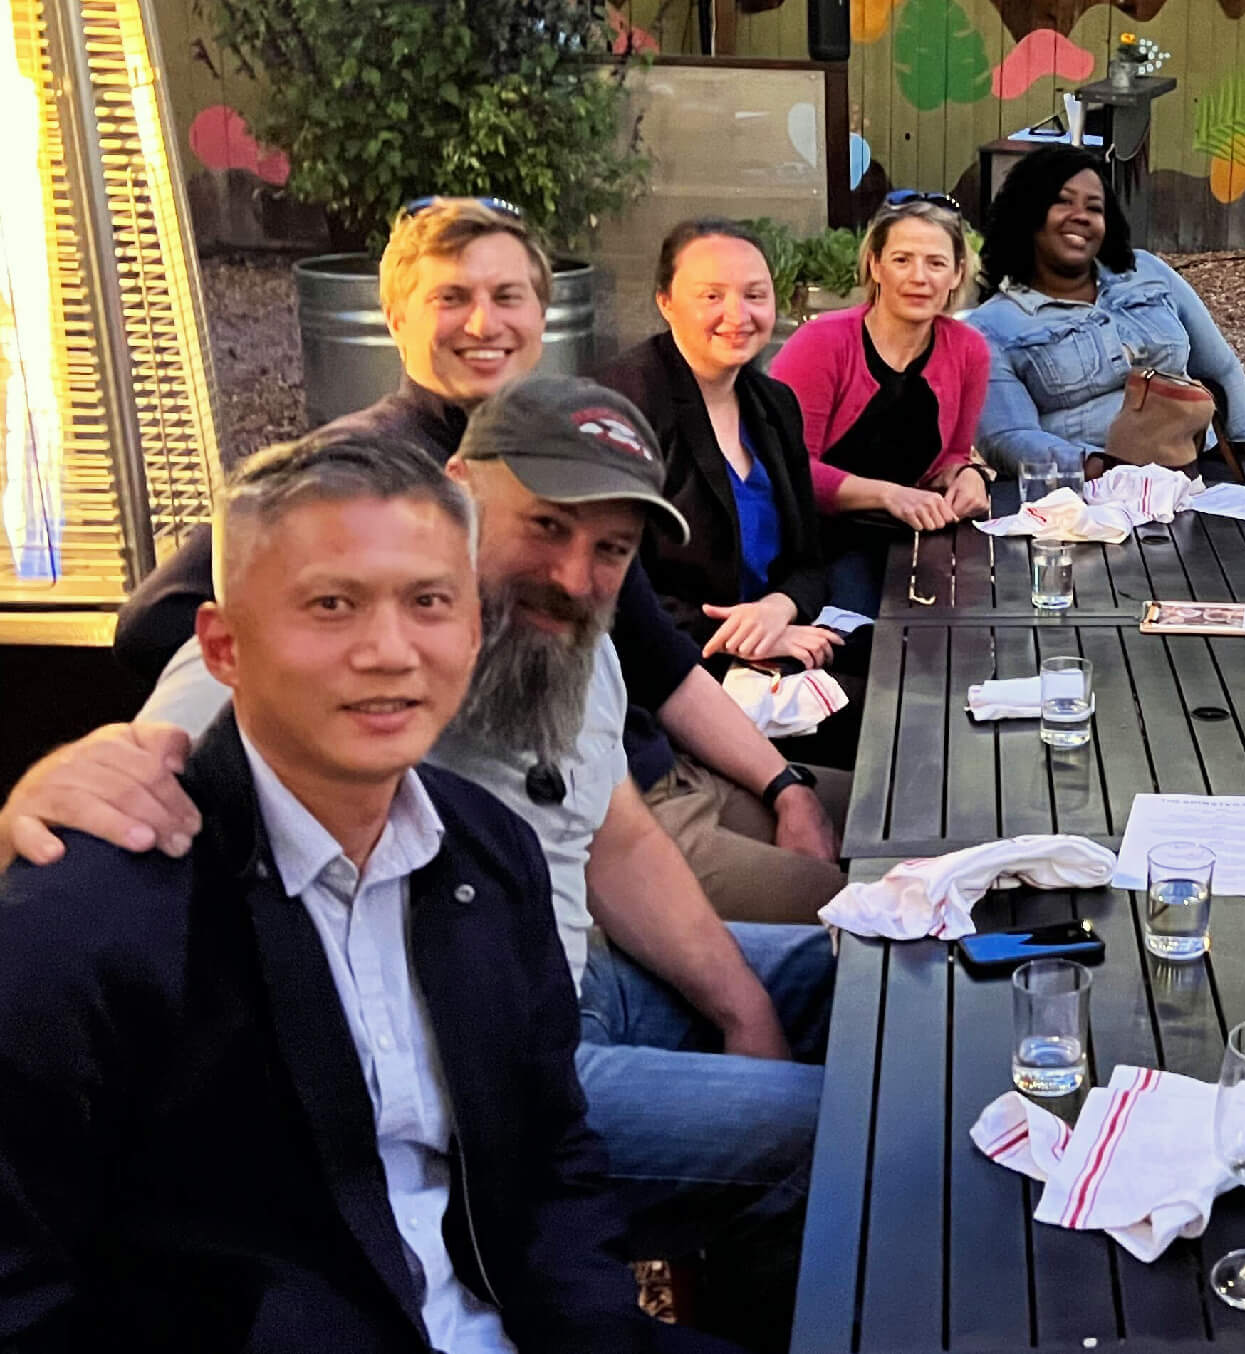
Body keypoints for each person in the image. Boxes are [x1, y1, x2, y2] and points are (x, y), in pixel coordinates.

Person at [3, 379, 837, 1347]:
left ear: (467, 625)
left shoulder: (487, 848)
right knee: (836, 1132)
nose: (390, 650)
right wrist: (58, 791)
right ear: (229, 647)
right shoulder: (99, 924)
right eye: (334, 606)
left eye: (428, 603)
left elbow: (546, 1182)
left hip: (526, 1181)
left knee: (871, 975)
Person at [93, 197, 847, 921]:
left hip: (648, 771)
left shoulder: (549, 450)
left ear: (538, 316)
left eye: (508, 296)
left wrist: (784, 786)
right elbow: (159, 622)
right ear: (394, 317)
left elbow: (657, 653)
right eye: (452, 297)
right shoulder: (360, 468)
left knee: (894, 826)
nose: (484, 322)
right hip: (573, 827)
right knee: (860, 907)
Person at [600, 219, 837, 673]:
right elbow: (612, 589)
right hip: (671, 666)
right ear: (665, 302)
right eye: (711, 296)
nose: (738, 315)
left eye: (755, 295)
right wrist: (740, 639)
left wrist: (780, 608)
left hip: (775, 642)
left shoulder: (775, 403)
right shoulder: (622, 406)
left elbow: (810, 561)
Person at [968, 145, 1245, 479]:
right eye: (1063, 201)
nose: (1081, 215)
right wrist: (1098, 468)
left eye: (1094, 207)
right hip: (1090, 490)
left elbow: (1220, 367)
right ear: (1027, 212)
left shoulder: (1147, 271)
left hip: (1198, 467)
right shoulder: (990, 328)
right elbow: (1007, 437)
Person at [768, 192, 994, 617]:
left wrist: (969, 476)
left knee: (976, 621)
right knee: (866, 638)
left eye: (936, 263)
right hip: (818, 541)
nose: (919, 277)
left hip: (911, 535)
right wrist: (888, 495)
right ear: (875, 265)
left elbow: (951, 454)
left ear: (957, 274)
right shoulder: (822, 343)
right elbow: (789, 466)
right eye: (902, 259)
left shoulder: (969, 350)